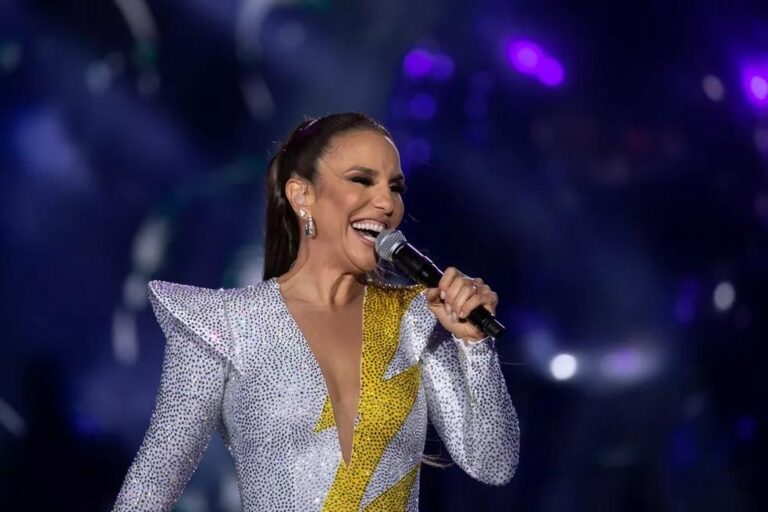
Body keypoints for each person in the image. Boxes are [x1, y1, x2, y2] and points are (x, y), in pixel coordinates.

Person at [112, 112, 519, 511]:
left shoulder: (414, 319)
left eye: (395, 187)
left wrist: (475, 345)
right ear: (301, 195)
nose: (386, 203)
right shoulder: (225, 325)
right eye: (362, 180)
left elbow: (493, 463)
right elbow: (153, 484)